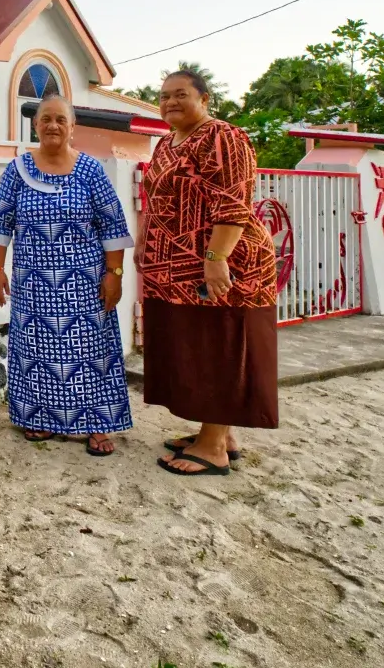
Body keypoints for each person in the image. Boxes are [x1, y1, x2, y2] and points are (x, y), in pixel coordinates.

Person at [137, 69, 278, 477]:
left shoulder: (224, 136)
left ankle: (213, 447)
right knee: (197, 345)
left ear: (204, 98)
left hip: (223, 262)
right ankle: (219, 434)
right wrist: (146, 239)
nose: (170, 102)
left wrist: (216, 258)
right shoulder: (166, 143)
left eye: (180, 94)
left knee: (220, 344)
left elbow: (233, 202)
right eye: (164, 96)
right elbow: (155, 198)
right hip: (174, 270)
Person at [0, 94, 135, 456]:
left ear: (72, 126)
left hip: (85, 284)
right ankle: (39, 417)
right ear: (35, 125)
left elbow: (112, 226)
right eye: (46, 119)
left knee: (92, 351)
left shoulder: (91, 171)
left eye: (61, 119)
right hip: (32, 284)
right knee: (35, 350)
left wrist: (114, 274)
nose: (53, 125)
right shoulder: (17, 170)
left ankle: (98, 424)